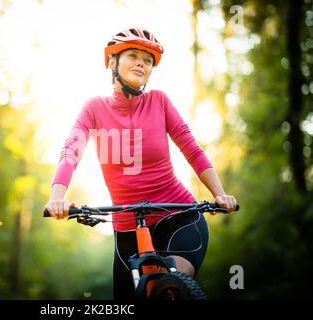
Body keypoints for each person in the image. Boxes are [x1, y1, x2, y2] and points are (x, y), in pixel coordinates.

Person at [44, 27, 238, 300]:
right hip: (126, 230)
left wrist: (219, 194)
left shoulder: (159, 101)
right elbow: (70, 151)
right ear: (113, 63)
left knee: (168, 288)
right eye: (133, 55)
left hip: (179, 219)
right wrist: (57, 198)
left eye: (147, 60)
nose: (141, 63)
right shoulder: (94, 108)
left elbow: (191, 149)